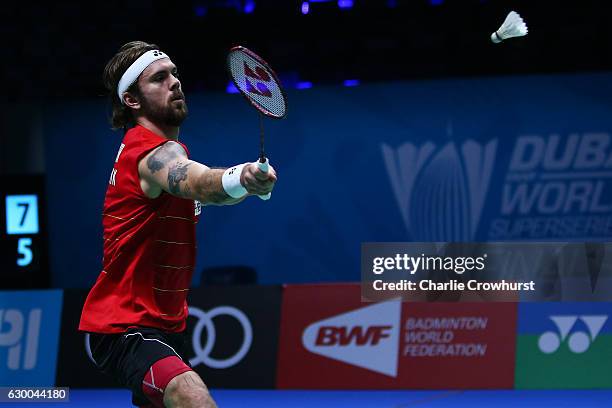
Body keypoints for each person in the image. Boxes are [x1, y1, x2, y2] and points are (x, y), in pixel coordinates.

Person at [78, 41, 277, 408]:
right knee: (191, 393)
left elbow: (208, 191)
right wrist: (243, 176)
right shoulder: (149, 152)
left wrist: (245, 187)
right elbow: (202, 183)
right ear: (132, 101)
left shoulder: (163, 154)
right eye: (159, 78)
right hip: (124, 326)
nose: (175, 82)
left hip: (169, 326)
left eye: (174, 73)